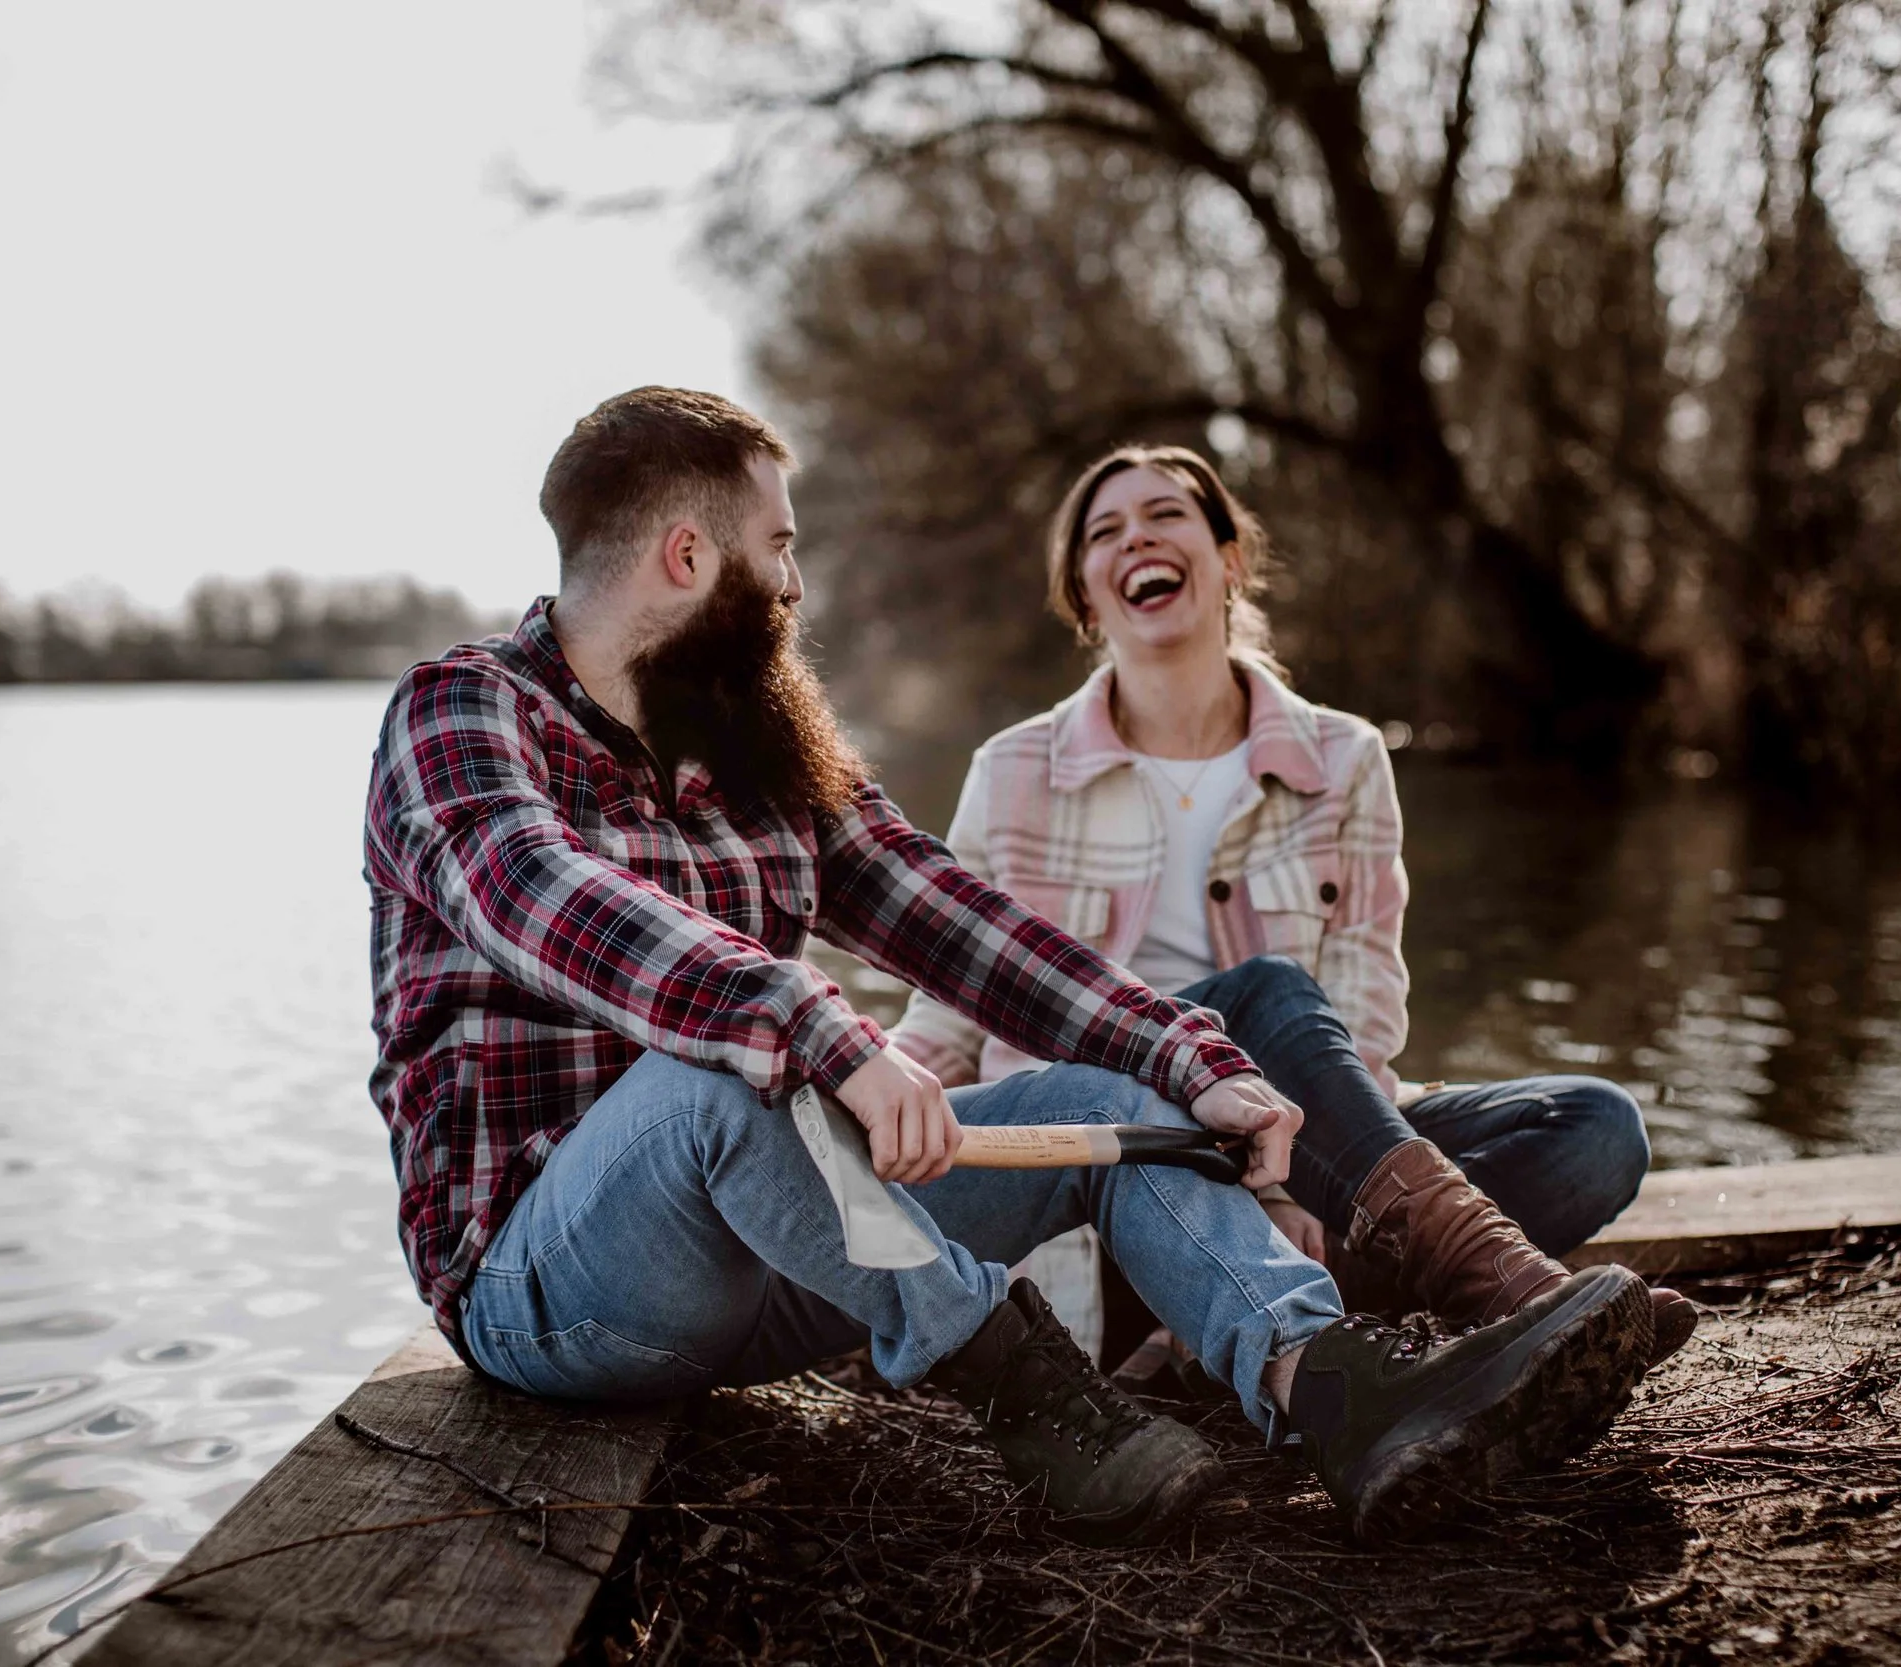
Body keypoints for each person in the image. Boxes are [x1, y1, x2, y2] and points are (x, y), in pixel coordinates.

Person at [361, 388, 1660, 1549]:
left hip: (786, 1249)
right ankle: (1037, 1398)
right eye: (782, 546)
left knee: (1118, 1096)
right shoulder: (459, 711)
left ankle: (1333, 1385)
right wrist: (821, 1027)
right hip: (551, 1289)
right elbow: (540, 891)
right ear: (689, 557)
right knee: (710, 1074)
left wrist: (1190, 1060)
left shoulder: (752, 745)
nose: (797, 584)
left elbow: (962, 917)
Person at [889, 444, 1697, 1368]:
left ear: (1230, 558)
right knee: (1258, 993)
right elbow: (950, 997)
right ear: (1084, 596)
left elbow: (1360, 1001)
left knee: (1595, 1129)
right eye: (1104, 532)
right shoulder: (1013, 771)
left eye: (1166, 515)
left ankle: (1225, 1321)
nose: (1136, 539)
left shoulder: (1341, 757)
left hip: (1306, 1128)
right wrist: (863, 1095)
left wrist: (1295, 1174)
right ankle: (1497, 1289)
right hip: (1109, 1149)